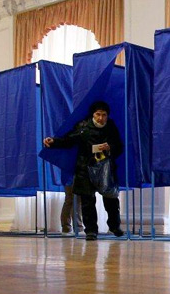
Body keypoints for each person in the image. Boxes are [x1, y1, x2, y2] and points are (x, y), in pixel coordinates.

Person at [43, 101, 124, 241]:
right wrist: (53, 142)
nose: (101, 118)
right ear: (93, 114)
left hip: (106, 168)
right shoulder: (83, 126)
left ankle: (114, 226)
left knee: (111, 200)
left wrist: (110, 147)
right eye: (98, 114)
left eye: (104, 115)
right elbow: (68, 140)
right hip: (85, 168)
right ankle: (91, 231)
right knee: (87, 202)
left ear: (107, 116)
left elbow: (120, 147)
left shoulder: (111, 127)